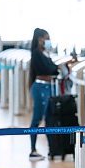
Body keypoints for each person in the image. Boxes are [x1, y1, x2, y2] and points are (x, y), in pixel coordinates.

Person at [28, 28, 59, 161]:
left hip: (48, 87)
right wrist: (55, 68)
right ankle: (33, 150)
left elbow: (53, 69)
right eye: (46, 38)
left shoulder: (44, 53)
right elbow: (48, 69)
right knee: (37, 118)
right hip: (40, 87)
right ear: (40, 39)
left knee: (49, 119)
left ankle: (52, 149)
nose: (48, 41)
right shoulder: (36, 54)